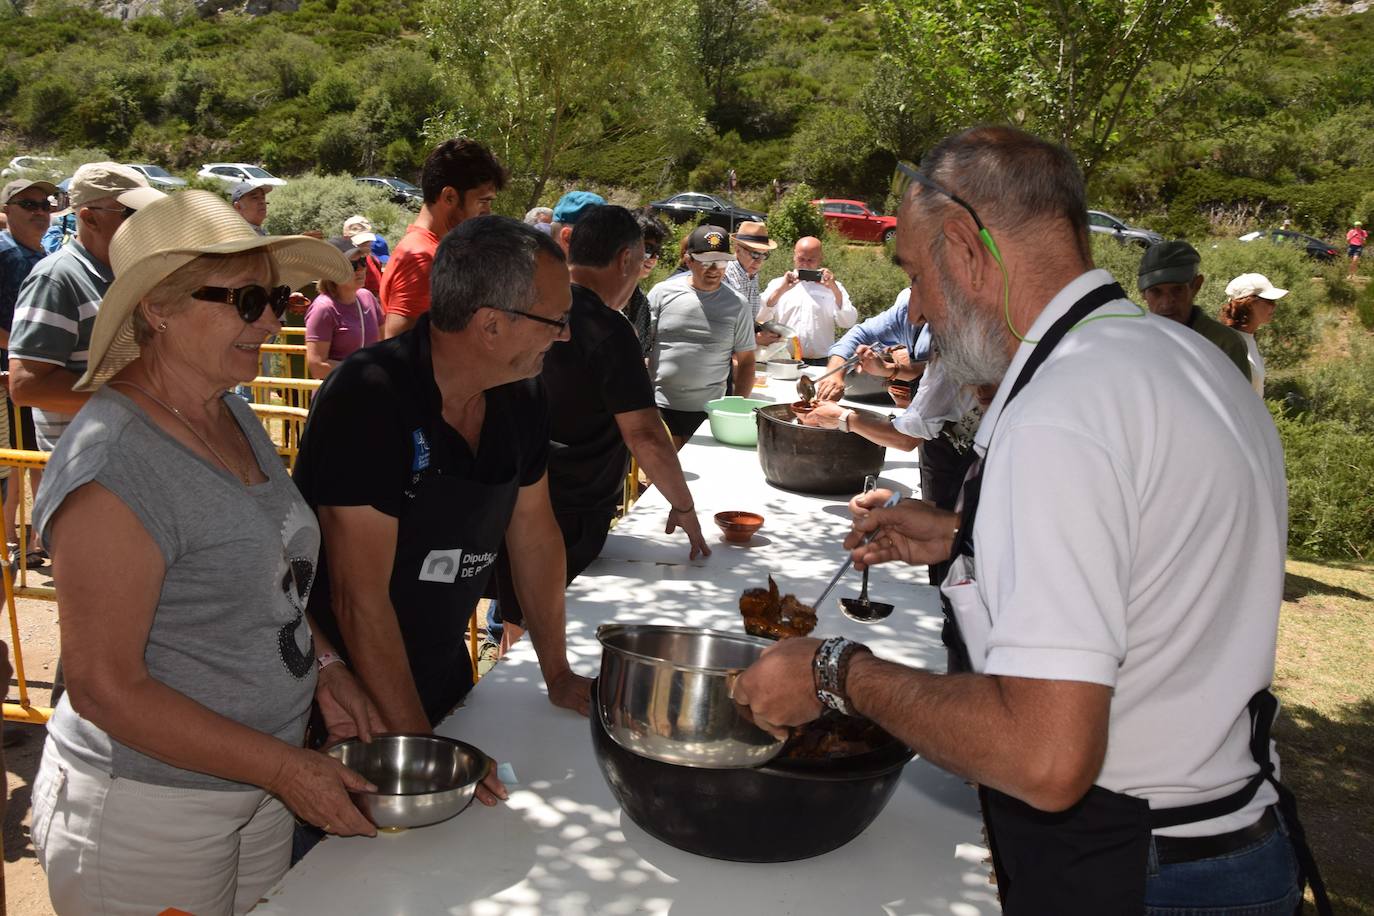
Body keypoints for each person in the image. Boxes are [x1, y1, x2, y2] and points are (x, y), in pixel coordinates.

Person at [734, 127, 1328, 915]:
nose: (921, 309)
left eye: (916, 275)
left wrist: (833, 671)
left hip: (1136, 869)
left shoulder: (1064, 409)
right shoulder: (1180, 361)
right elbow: (1163, 567)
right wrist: (961, 537)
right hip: (1228, 846)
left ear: (964, 248)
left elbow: (1046, 757)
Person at [27, 190, 407, 914]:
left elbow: (270, 583)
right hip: (148, 814)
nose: (272, 318)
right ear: (157, 309)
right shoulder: (115, 463)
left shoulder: (224, 406)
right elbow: (107, 687)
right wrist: (287, 770)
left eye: (277, 297)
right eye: (246, 299)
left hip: (254, 787)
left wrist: (323, 668)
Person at [294, 215, 591, 731]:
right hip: (344, 698)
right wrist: (419, 743)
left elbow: (536, 536)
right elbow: (357, 598)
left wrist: (559, 674)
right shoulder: (369, 397)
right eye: (555, 320)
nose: (565, 336)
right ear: (492, 324)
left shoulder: (521, 392)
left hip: (442, 674)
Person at [11, 163, 164, 453]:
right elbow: (26, 386)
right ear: (90, 219)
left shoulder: (129, 274)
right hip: (89, 472)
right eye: (133, 214)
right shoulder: (57, 278)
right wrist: (140, 397)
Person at [380, 138, 507, 339]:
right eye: (483, 201)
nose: (488, 212)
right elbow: (401, 352)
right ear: (449, 197)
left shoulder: (433, 250)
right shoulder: (423, 259)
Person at [647, 224, 756, 447]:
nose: (715, 269)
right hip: (658, 408)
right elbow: (640, 348)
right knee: (651, 481)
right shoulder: (661, 293)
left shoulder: (738, 305)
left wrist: (735, 409)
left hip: (710, 414)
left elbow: (746, 362)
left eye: (722, 261)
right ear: (689, 260)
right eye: (706, 261)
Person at [0, 178, 59, 568]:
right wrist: (22, 353)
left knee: (32, 456)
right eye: (29, 204)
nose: (40, 210)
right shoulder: (7, 254)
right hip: (13, 373)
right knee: (12, 463)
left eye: (46, 203)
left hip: (28, 370)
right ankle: (11, 546)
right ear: (7, 210)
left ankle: (34, 539)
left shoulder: (34, 254)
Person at [1137, 240, 1251, 382]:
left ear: (1196, 286)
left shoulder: (1224, 344)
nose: (1167, 302)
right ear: (1143, 294)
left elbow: (1239, 402)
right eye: (1156, 292)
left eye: (1177, 290)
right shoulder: (1134, 341)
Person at [816, 287, 925, 402]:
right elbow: (862, 335)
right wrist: (834, 374)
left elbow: (936, 376)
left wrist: (847, 418)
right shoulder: (907, 309)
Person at [758, 235, 857, 362]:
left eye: (811, 260)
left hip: (821, 361)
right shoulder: (778, 284)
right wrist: (781, 290)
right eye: (801, 259)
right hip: (783, 358)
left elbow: (848, 322)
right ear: (794, 256)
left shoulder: (834, 287)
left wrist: (835, 290)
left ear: (820, 258)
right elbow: (760, 316)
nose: (805, 264)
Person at [304, 238, 382, 379]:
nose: (361, 269)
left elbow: (385, 344)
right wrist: (363, 369)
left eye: (363, 262)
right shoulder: (323, 308)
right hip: (337, 395)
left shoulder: (368, 298)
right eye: (353, 265)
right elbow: (317, 366)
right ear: (332, 271)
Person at [1220, 273, 1288, 396]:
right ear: (1250, 303)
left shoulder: (1248, 338)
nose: (1274, 305)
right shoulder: (1232, 345)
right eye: (1269, 301)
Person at [723, 220, 781, 349]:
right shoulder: (724, 276)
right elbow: (718, 326)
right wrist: (755, 339)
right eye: (755, 254)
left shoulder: (752, 275)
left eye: (764, 254)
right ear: (737, 249)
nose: (759, 261)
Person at [623, 210, 667, 358]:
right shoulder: (597, 295)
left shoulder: (641, 301)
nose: (654, 258)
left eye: (657, 251)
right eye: (648, 249)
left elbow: (642, 354)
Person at [341, 215, 384, 296]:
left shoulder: (373, 260)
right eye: (361, 242)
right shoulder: (338, 264)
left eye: (367, 241)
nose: (366, 245)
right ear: (346, 239)